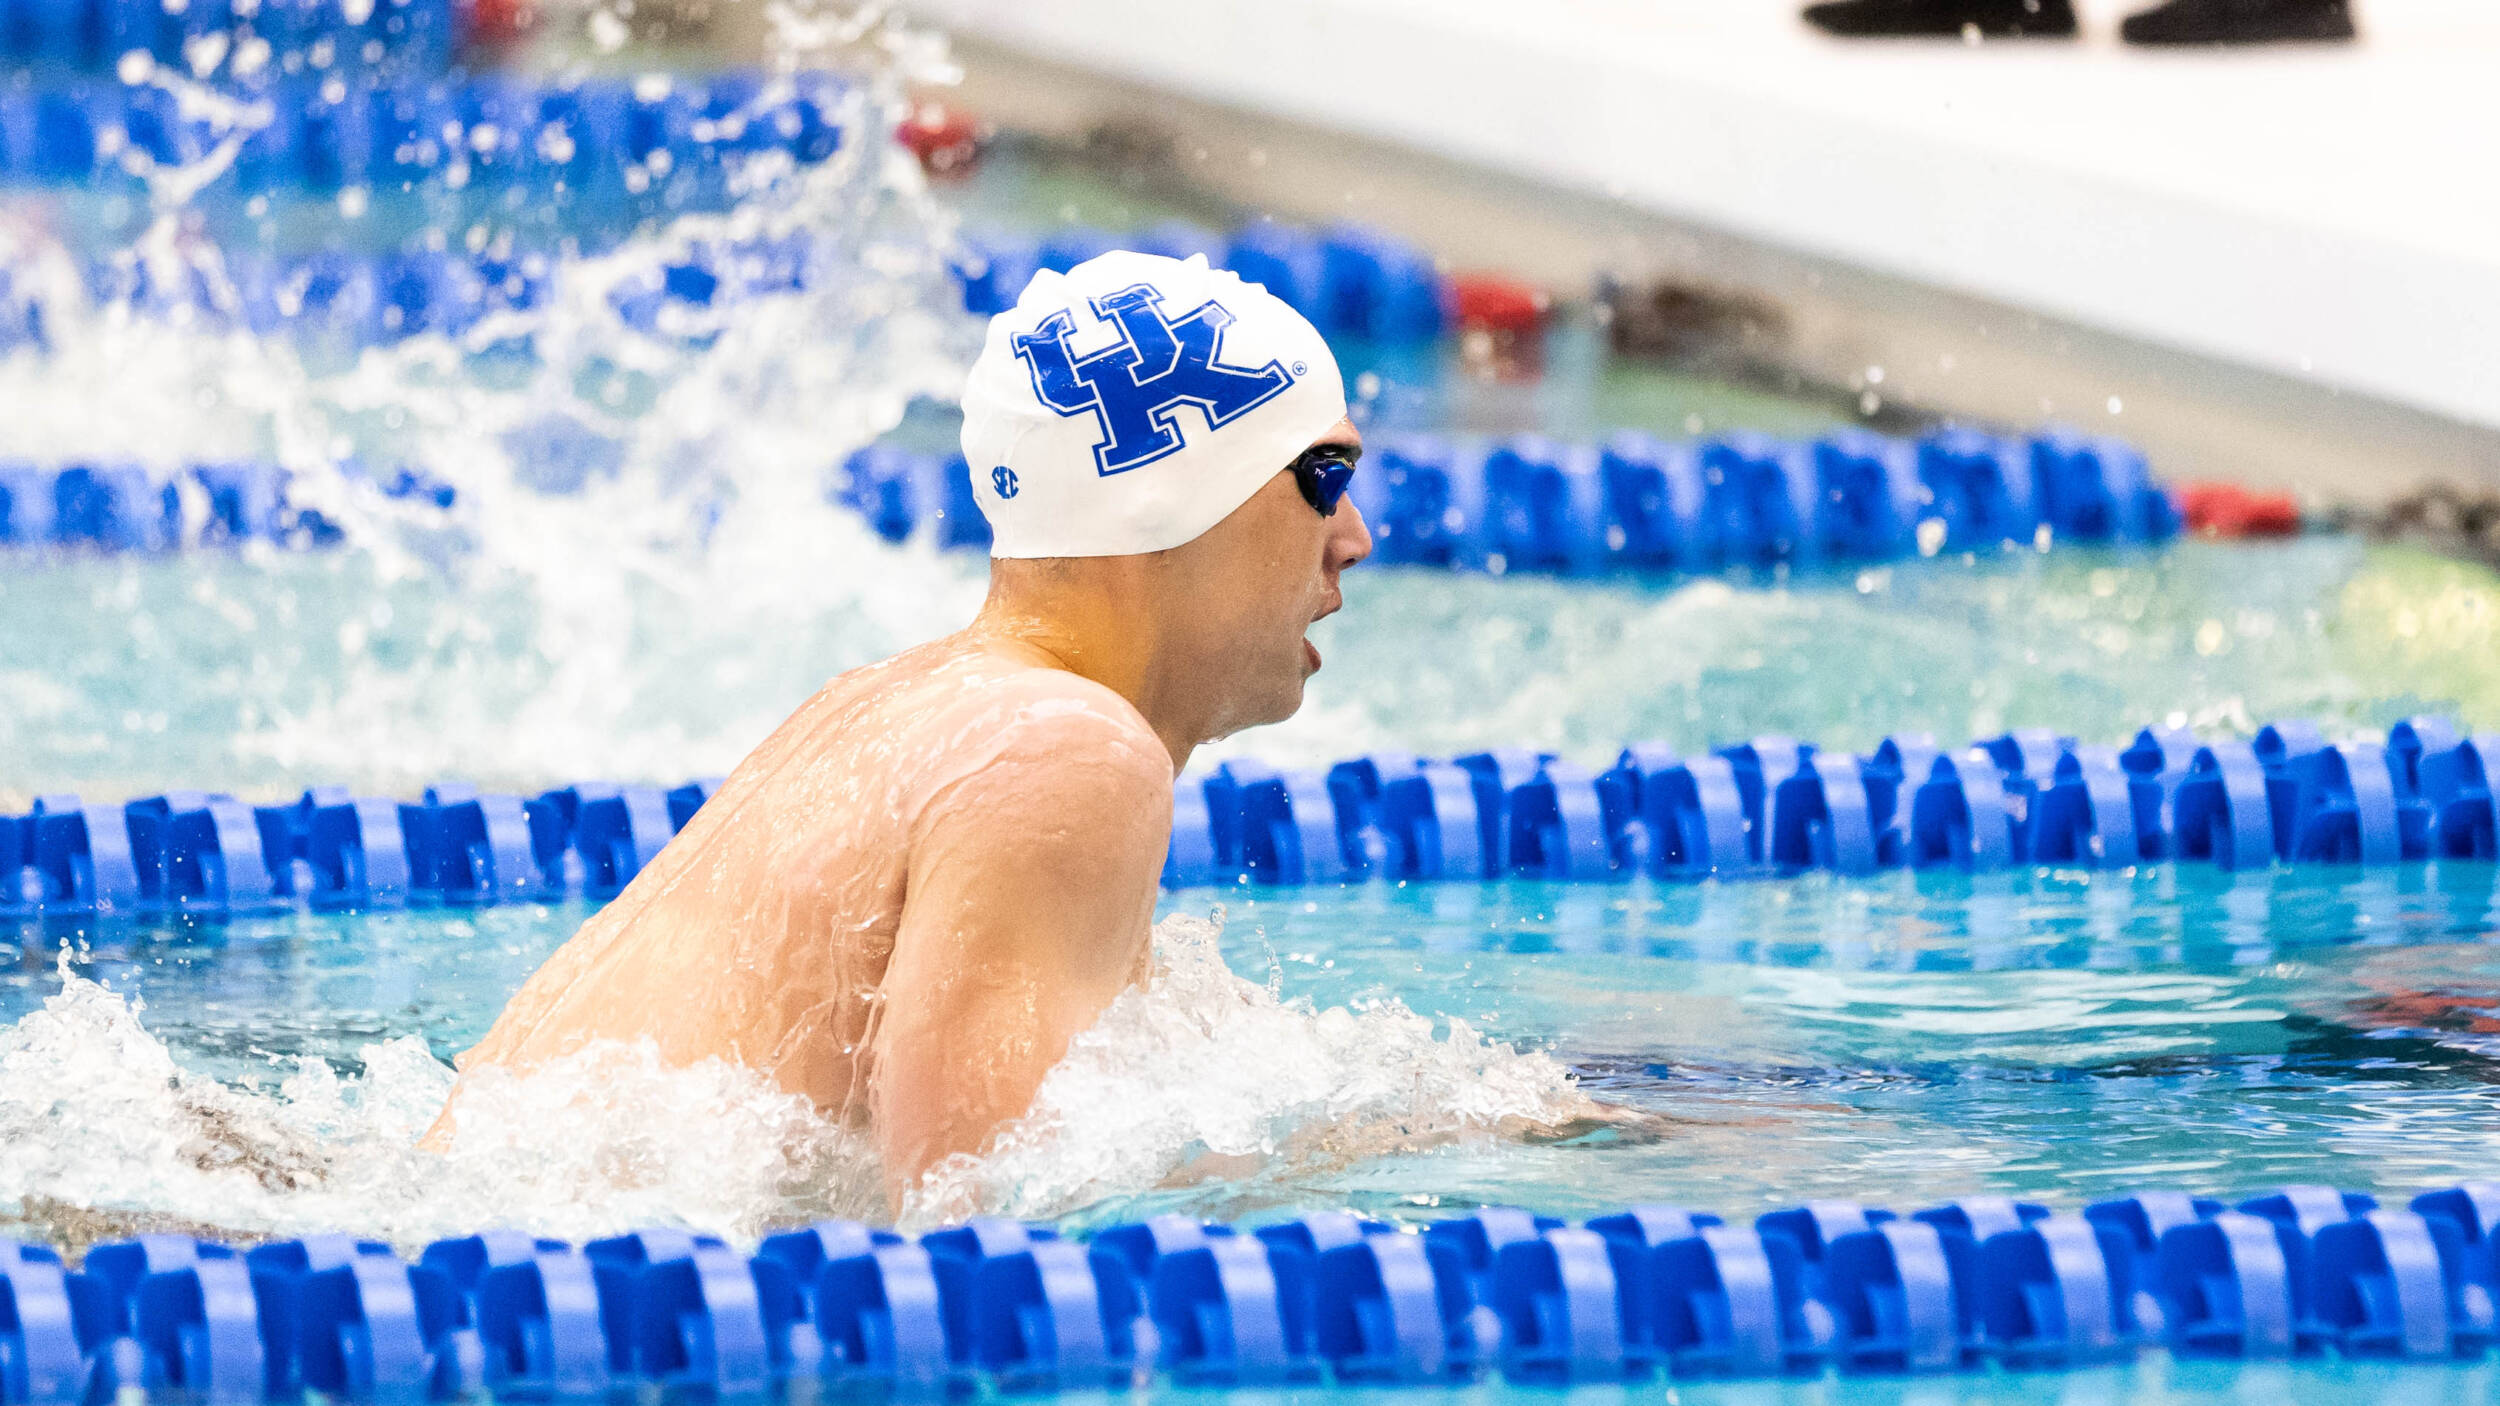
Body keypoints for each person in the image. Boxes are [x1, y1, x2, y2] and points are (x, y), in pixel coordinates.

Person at [437, 251, 1372, 1205]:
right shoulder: (1067, 750)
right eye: (1324, 474)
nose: (1355, 537)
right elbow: (976, 1229)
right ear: (1171, 491)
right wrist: (1379, 1148)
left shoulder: (900, 706)